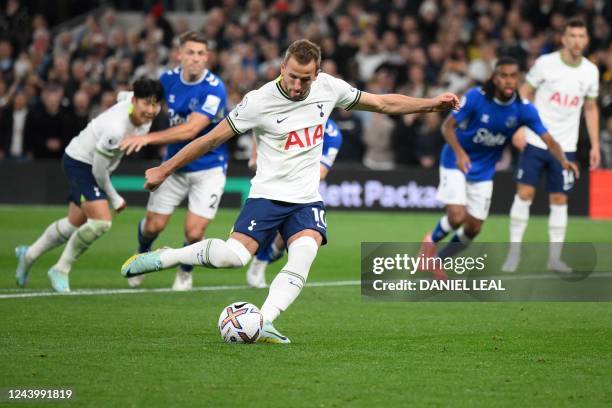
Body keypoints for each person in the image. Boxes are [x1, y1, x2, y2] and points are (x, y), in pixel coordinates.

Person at [121, 39, 459, 343]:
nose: (297, 85)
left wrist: (431, 104)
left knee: (304, 253)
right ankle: (165, 257)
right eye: (292, 76)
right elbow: (210, 138)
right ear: (283, 67)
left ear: (317, 73)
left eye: (305, 79)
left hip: (306, 198)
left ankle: (263, 322)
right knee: (232, 258)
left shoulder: (329, 87)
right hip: (267, 194)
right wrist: (164, 169)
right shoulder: (258, 101)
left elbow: (383, 103)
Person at [421, 57, 579, 273]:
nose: (508, 81)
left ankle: (439, 260)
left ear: (518, 79)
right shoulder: (476, 97)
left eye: (513, 76)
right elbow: (447, 127)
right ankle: (430, 241)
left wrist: (564, 161)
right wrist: (459, 153)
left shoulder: (523, 110)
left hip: (484, 170)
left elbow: (549, 140)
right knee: (457, 216)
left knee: (473, 228)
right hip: (456, 161)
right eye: (503, 76)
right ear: (495, 78)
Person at [15, 78, 163, 292]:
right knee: (101, 221)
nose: (150, 109)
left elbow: (123, 95)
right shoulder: (115, 130)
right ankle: (61, 269)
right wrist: (114, 197)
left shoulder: (139, 110)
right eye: (146, 103)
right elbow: (98, 171)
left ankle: (28, 255)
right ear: (134, 101)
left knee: (73, 223)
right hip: (81, 163)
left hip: (92, 165)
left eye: (155, 104)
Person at [119, 31, 229, 291]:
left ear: (207, 57)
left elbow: (191, 130)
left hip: (209, 168)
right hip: (173, 166)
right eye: (190, 52)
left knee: (193, 232)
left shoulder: (215, 89)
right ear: (179, 55)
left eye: (201, 54)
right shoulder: (166, 80)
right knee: (153, 226)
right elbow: (146, 107)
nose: (195, 58)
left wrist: (148, 139)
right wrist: (125, 110)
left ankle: (185, 271)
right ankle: (142, 254)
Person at [502, 18, 600, 273]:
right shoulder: (546, 64)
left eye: (581, 36)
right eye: (573, 35)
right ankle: (513, 254)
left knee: (559, 199)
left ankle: (555, 259)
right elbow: (524, 93)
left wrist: (595, 145)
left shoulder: (590, 71)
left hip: (565, 146)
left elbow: (590, 107)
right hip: (536, 140)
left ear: (586, 40)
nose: (577, 40)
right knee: (524, 195)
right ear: (564, 39)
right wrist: (521, 127)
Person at [245, 118, 343, 288]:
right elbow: (259, 122)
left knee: (286, 241)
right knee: (254, 239)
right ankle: (256, 262)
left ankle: (260, 262)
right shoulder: (290, 114)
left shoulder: (333, 135)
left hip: (299, 189)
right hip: (270, 184)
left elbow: (321, 172)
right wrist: (255, 155)